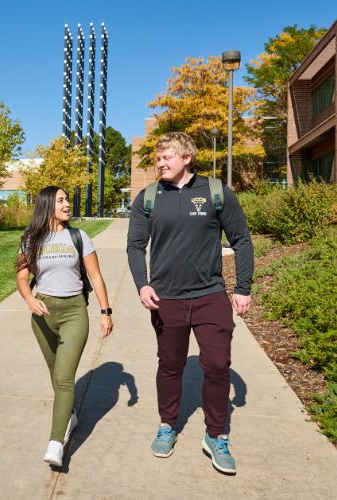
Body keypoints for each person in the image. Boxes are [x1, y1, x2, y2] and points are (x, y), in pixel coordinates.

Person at [127, 132, 253, 475]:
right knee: (170, 366)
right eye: (157, 158)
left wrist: (242, 287)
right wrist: (142, 285)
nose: (159, 163)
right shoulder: (148, 198)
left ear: (186, 158)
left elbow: (241, 239)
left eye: (166, 157)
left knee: (216, 365)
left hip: (210, 295)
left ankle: (216, 435)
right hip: (166, 299)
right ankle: (167, 425)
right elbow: (135, 246)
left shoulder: (215, 193)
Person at [16, 185, 114, 468]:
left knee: (64, 378)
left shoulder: (78, 237)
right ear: (48, 205)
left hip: (73, 312)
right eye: (61, 200)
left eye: (67, 199)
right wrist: (29, 300)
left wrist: (105, 312)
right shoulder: (30, 240)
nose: (67, 204)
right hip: (43, 315)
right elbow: (23, 278)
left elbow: (95, 277)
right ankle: (69, 414)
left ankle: (56, 441)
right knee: (56, 373)